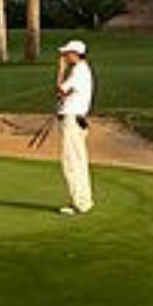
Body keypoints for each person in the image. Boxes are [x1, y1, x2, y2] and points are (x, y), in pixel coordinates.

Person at [54, 39, 96, 216]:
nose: (64, 56)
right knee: (78, 161)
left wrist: (60, 70)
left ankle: (79, 203)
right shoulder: (81, 71)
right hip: (75, 119)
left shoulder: (79, 71)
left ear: (75, 54)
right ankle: (83, 201)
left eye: (66, 53)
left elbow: (60, 90)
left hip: (72, 120)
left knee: (72, 163)